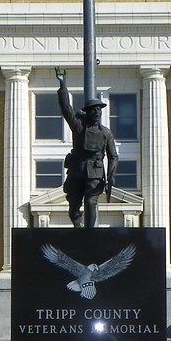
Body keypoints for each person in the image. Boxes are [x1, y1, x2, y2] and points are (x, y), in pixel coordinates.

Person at [55, 67, 117, 228]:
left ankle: (90, 234)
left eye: (99, 110)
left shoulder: (106, 133)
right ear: (87, 112)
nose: (97, 112)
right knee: (74, 204)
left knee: (91, 201)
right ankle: (77, 226)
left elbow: (113, 156)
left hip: (95, 172)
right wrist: (63, 85)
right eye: (94, 110)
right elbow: (66, 109)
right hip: (77, 169)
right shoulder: (79, 127)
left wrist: (111, 175)